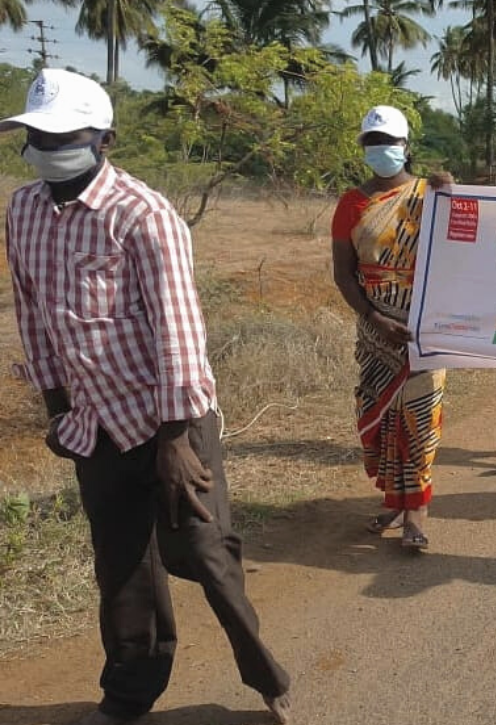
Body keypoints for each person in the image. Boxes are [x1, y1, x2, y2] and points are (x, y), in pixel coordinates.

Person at [1, 69, 291, 725]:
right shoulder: (23, 210)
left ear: (104, 137)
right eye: (35, 136)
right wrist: (56, 409)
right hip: (92, 420)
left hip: (169, 421)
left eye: (62, 135)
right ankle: (129, 695)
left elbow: (178, 330)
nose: (47, 147)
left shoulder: (142, 213)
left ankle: (268, 683)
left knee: (208, 549)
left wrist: (176, 440)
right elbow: (33, 311)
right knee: (122, 565)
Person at [332, 105, 450, 550]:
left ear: (406, 147)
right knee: (378, 418)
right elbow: (344, 274)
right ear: (363, 148)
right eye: (373, 143)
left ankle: (416, 512)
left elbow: (464, 241)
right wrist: (375, 318)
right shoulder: (353, 203)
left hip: (424, 326)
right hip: (375, 328)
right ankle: (394, 501)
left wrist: (451, 192)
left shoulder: (430, 195)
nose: (382, 150)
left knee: (420, 419)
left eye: (390, 142)